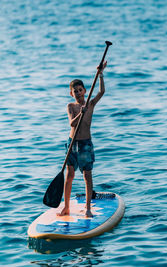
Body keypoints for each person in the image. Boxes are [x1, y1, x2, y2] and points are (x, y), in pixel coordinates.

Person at [58, 61, 107, 218]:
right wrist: (81, 112)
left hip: (85, 144)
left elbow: (102, 92)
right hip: (72, 144)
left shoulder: (91, 104)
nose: (78, 92)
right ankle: (66, 207)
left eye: (80, 90)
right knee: (69, 175)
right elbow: (72, 123)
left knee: (87, 176)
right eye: (75, 91)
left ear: (85, 91)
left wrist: (100, 74)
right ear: (71, 93)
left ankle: (87, 208)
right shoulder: (71, 106)